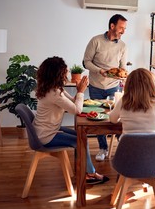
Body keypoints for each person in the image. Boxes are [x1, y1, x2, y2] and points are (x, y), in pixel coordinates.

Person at [33, 56, 109, 184]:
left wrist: (79, 90)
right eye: (65, 71)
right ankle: (90, 174)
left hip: (45, 130)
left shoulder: (52, 88)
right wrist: (81, 91)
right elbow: (77, 110)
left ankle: (83, 169)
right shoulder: (54, 93)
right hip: (46, 135)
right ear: (57, 74)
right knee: (81, 139)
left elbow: (73, 103)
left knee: (81, 135)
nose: (67, 74)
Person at [83, 14, 128, 161]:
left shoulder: (123, 46)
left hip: (113, 87)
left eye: (125, 28)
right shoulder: (96, 41)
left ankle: (121, 148)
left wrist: (122, 76)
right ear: (112, 26)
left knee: (116, 117)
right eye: (121, 27)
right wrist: (100, 71)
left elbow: (122, 67)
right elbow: (86, 62)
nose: (123, 31)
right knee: (97, 118)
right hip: (96, 85)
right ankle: (103, 148)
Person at [109, 68, 155, 134]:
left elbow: (113, 120)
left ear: (128, 85)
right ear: (152, 84)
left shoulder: (124, 101)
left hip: (129, 143)